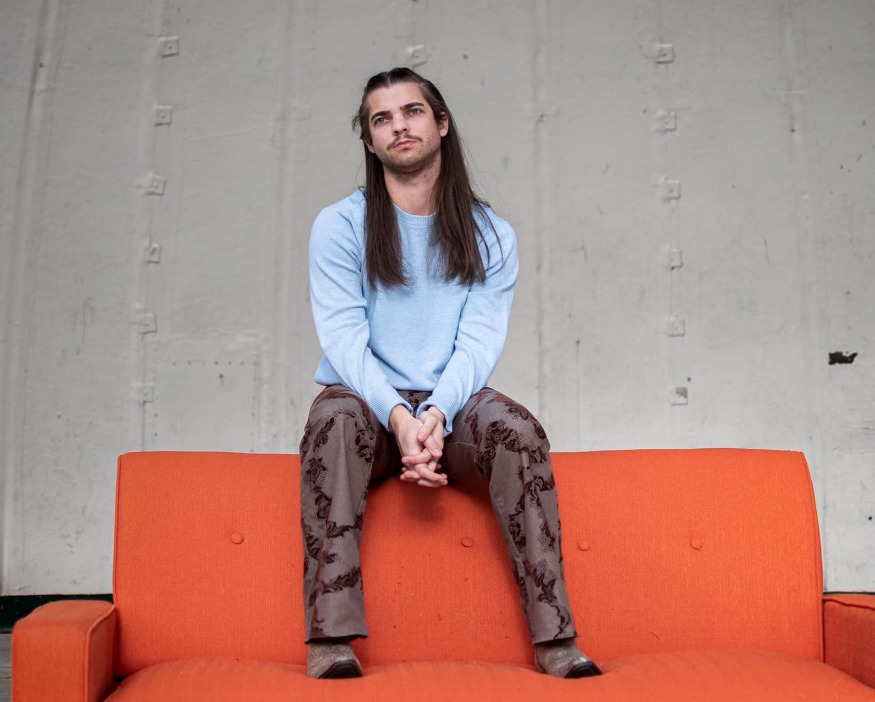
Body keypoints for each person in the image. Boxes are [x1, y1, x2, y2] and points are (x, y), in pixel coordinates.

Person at [300, 67, 602, 681]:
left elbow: (478, 344)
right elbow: (344, 340)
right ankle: (330, 641)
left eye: (411, 111)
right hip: (366, 404)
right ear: (369, 141)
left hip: (452, 410)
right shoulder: (340, 225)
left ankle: (556, 639)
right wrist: (398, 417)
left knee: (517, 429)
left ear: (440, 124)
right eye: (381, 119)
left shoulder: (491, 234)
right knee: (333, 420)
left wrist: (435, 413)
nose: (398, 126)